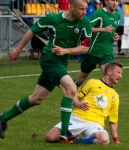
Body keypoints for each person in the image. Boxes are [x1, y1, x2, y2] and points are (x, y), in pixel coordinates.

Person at [0, 0, 92, 139]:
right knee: (71, 88)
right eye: (81, 9)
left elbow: (85, 48)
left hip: (62, 62)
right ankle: (64, 133)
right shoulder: (53, 19)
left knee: (36, 99)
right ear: (71, 7)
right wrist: (17, 50)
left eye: (85, 9)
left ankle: (3, 118)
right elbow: (32, 31)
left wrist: (66, 51)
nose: (84, 12)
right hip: (50, 59)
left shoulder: (85, 23)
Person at [45, 61, 122, 145]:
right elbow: (74, 95)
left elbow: (113, 121)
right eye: (118, 72)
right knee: (50, 137)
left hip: (95, 124)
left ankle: (75, 141)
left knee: (104, 140)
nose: (120, 76)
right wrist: (78, 104)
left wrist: (116, 140)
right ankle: (70, 136)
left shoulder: (115, 96)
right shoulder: (92, 82)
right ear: (109, 72)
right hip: (77, 118)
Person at [75, 0, 120, 87]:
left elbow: (112, 30)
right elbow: (87, 28)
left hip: (107, 52)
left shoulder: (117, 15)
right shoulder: (99, 13)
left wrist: (115, 36)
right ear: (106, 2)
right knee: (81, 79)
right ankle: (71, 92)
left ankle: (106, 100)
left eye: (117, 1)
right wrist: (103, 29)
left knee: (109, 79)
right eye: (112, 0)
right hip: (94, 52)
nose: (115, 3)